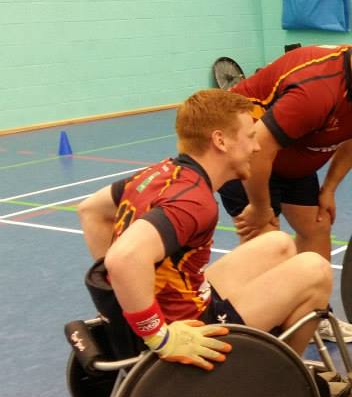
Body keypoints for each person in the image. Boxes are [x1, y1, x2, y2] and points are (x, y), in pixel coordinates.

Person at [77, 89, 332, 369]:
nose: (257, 147)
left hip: (180, 299)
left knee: (280, 243)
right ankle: (281, 377)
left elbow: (90, 210)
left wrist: (123, 305)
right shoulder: (194, 201)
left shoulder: (161, 173)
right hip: (193, 328)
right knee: (315, 269)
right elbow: (123, 258)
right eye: (249, 136)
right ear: (220, 141)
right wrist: (157, 335)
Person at [219, 27, 352, 342]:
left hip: (292, 154)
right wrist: (259, 207)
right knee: (269, 246)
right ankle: (265, 331)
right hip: (246, 157)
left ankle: (314, 315)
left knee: (317, 227)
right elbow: (260, 149)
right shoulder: (315, 92)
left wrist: (329, 189)